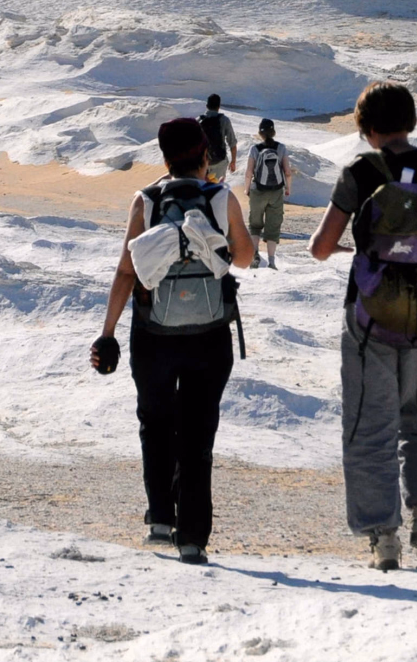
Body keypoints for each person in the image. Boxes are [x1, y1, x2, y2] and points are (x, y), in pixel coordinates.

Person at [308, 81, 417, 571]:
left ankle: (383, 537)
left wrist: (359, 248)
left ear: (367, 127)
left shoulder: (360, 171)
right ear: (411, 120)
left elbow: (319, 246)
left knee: (368, 422)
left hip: (370, 315)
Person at [90, 117, 254, 565]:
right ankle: (193, 538)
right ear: (205, 156)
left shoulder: (145, 200)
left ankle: (161, 519)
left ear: (164, 159)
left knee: (156, 424)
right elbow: (244, 257)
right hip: (209, 335)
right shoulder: (221, 197)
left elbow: (127, 271)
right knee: (199, 435)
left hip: (154, 334)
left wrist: (106, 335)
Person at [246, 119, 291, 269]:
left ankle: (255, 256)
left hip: (257, 190)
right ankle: (271, 261)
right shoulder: (281, 148)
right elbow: (288, 172)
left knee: (255, 224)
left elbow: (248, 173)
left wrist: (247, 189)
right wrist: (287, 188)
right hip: (276, 191)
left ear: (260, 132)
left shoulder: (255, 149)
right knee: (273, 226)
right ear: (273, 132)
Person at [198, 94, 238, 182]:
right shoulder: (224, 120)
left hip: (203, 163)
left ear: (207, 106)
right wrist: (233, 162)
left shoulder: (199, 121)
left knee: (203, 190)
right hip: (219, 162)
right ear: (219, 106)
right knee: (218, 191)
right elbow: (232, 143)